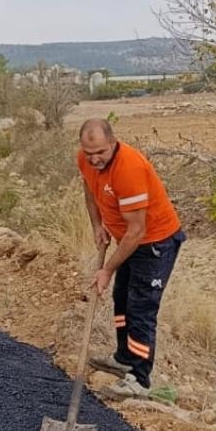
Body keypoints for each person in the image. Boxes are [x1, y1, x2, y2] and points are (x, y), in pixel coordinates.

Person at [77, 117, 186, 400]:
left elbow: (137, 232)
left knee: (141, 308)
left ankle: (139, 379)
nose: (95, 159)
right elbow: (90, 190)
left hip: (154, 243)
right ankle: (124, 357)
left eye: (101, 152)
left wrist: (107, 269)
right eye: (89, 154)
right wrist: (97, 225)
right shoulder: (86, 160)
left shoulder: (130, 168)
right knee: (122, 298)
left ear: (113, 142)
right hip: (128, 239)